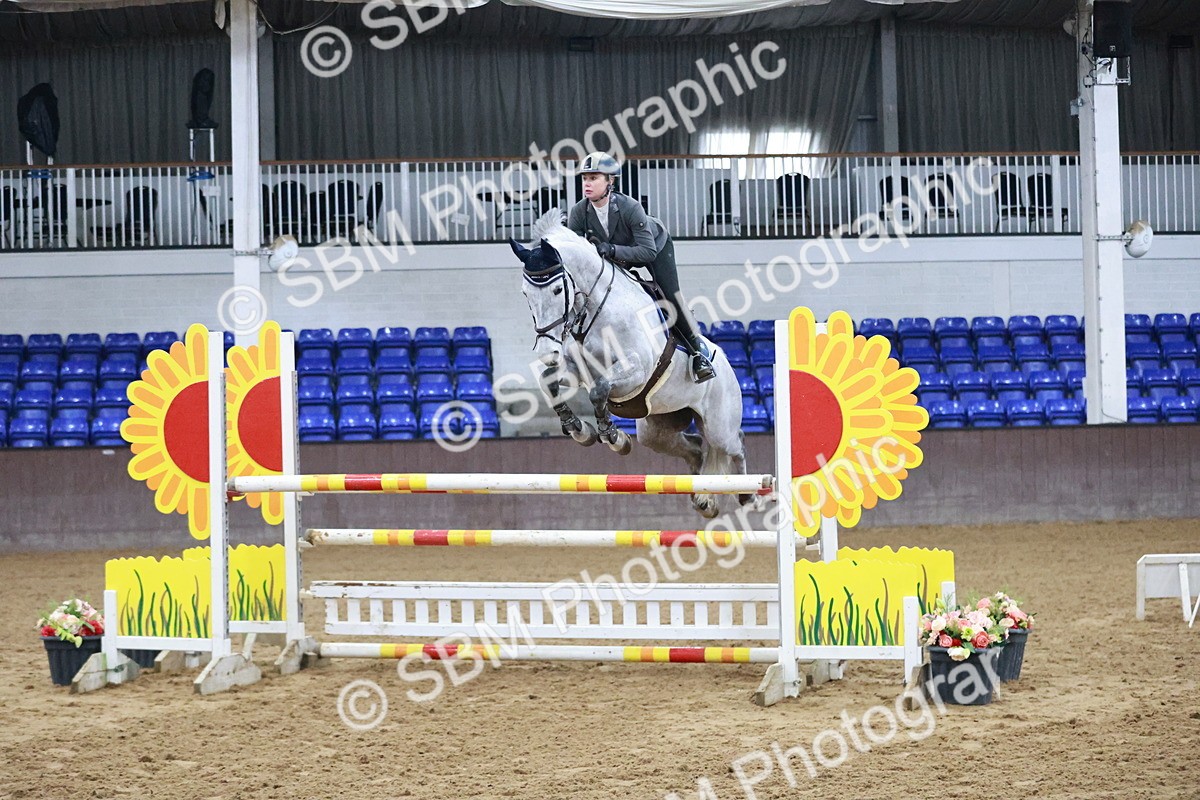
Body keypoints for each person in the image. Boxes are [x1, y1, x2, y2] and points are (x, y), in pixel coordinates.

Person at [566, 151, 715, 383]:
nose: (587, 183)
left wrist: (612, 250)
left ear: (610, 181)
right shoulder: (579, 212)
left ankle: (697, 352)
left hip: (654, 247)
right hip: (615, 254)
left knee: (669, 296)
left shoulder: (630, 207)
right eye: (585, 178)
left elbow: (647, 252)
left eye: (594, 178)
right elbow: (575, 253)